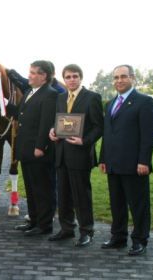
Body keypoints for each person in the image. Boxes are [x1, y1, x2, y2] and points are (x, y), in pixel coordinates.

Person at [99, 64, 153, 256]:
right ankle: (118, 237)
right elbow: (107, 134)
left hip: (134, 165)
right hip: (113, 164)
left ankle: (140, 240)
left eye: (123, 76)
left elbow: (148, 136)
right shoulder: (110, 103)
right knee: (117, 203)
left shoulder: (144, 101)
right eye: (115, 78)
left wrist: (144, 161)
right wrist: (103, 158)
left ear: (132, 78)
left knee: (138, 204)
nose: (119, 81)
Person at [48, 64, 104, 246]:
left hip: (80, 154)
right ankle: (66, 229)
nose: (71, 80)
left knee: (81, 196)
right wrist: (52, 132)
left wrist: (85, 141)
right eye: (68, 77)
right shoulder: (60, 97)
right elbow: (58, 121)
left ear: (81, 78)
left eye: (75, 76)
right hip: (61, 153)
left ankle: (87, 231)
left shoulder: (92, 97)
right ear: (64, 79)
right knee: (63, 195)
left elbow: (98, 126)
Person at [8, 60, 57, 236]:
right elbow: (20, 113)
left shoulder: (49, 94)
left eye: (34, 72)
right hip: (25, 150)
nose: (29, 75)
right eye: (30, 72)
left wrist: (40, 146)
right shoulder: (30, 92)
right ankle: (34, 221)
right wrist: (3, 103)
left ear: (44, 76)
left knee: (42, 189)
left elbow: (45, 123)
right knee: (31, 188)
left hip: (38, 151)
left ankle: (44, 225)